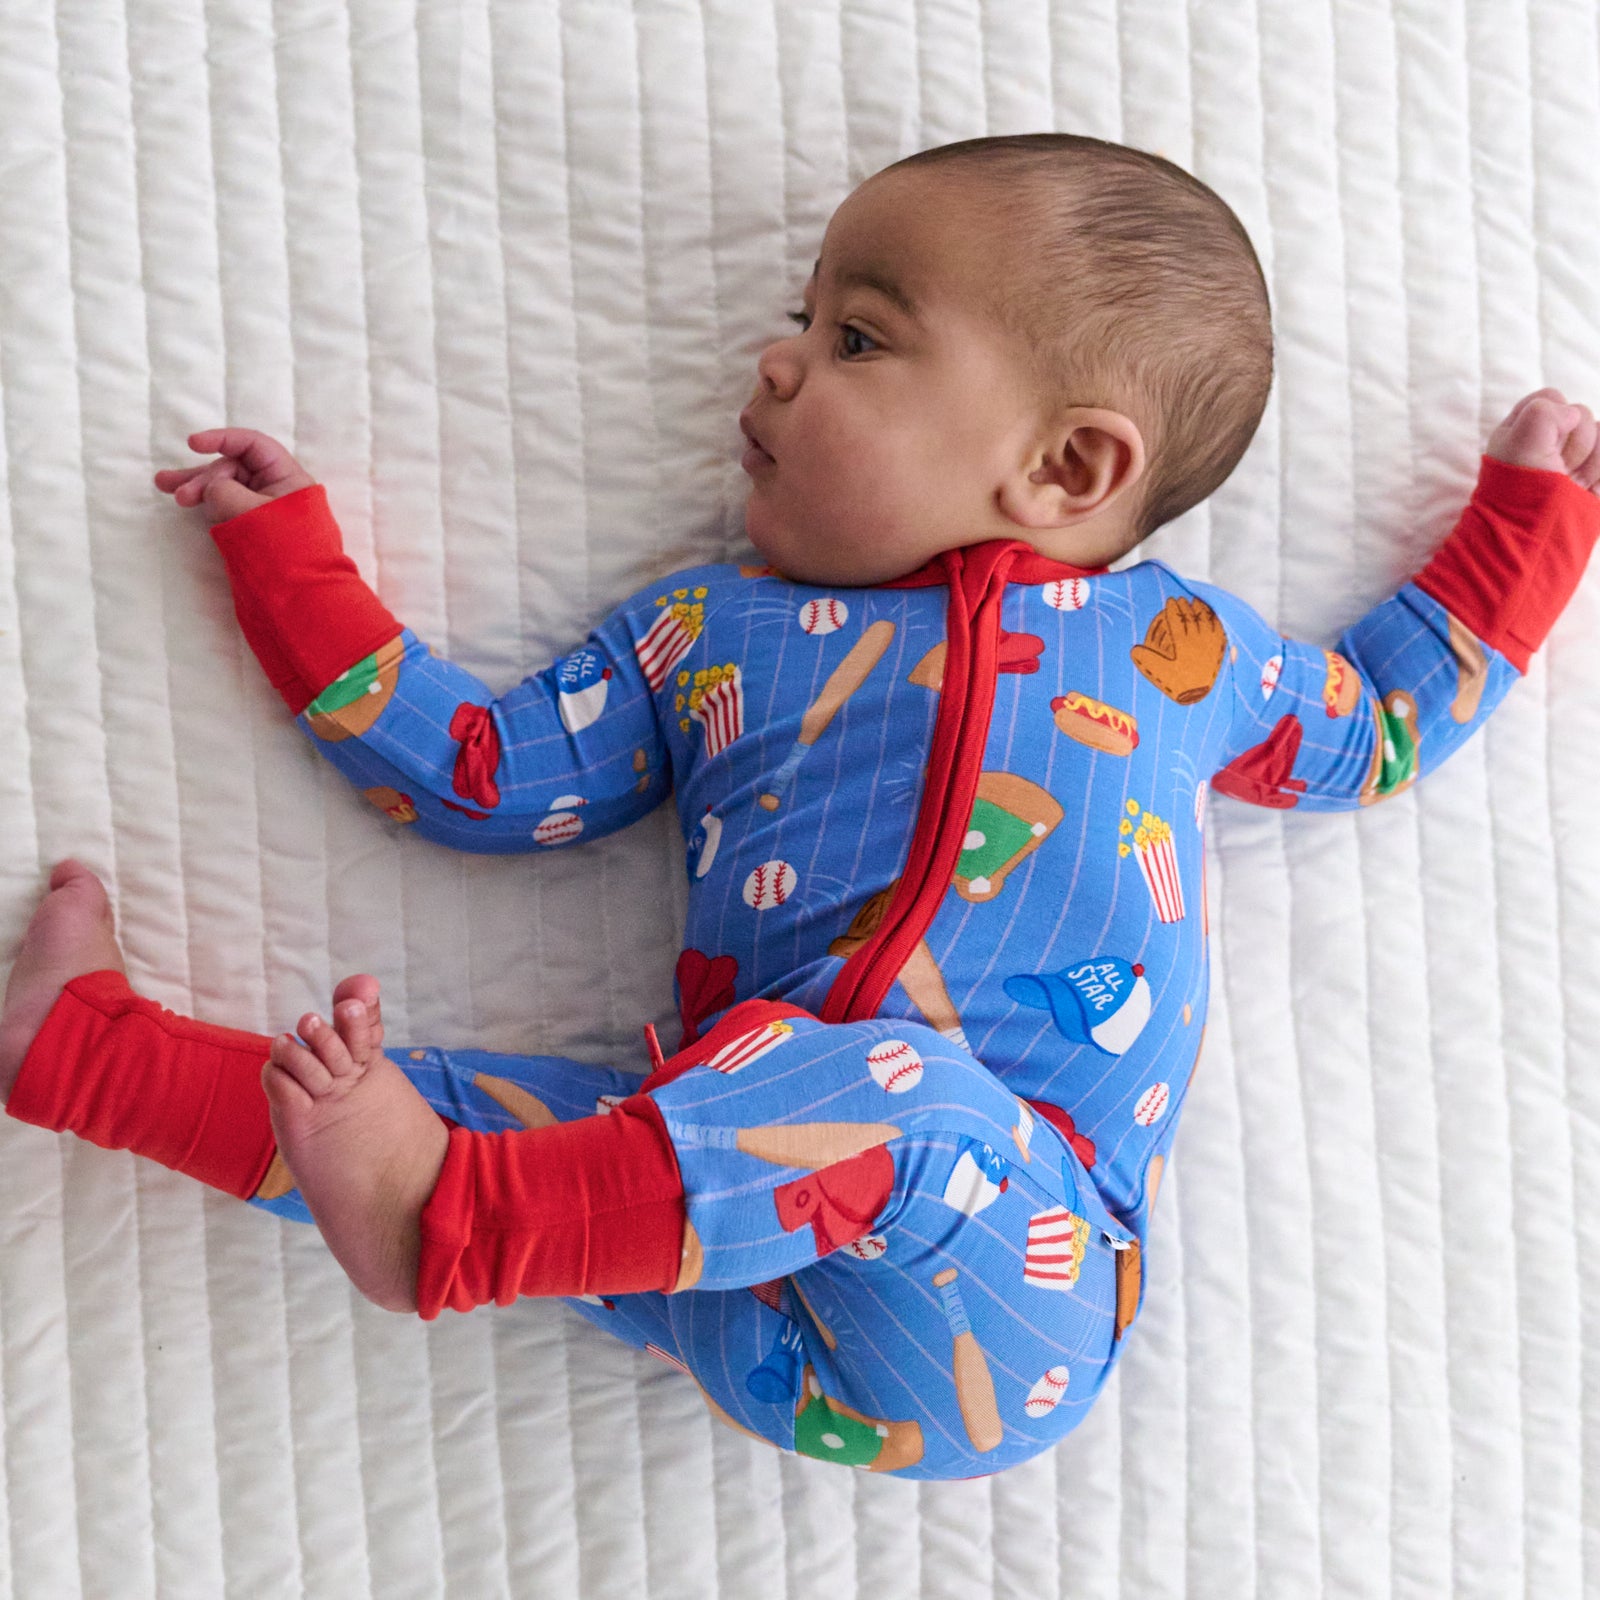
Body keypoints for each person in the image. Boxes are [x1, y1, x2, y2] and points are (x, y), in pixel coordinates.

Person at [2, 134, 1597, 1481]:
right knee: (429, 1109)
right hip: (712, 1225)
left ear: (1065, 467)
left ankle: (452, 1223)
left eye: (859, 339)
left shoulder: (1185, 657)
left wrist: (1525, 527)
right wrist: (293, 563)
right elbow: (480, 774)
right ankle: (84, 1056)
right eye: (803, 315)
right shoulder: (705, 635)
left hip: (1001, 1291)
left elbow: (1382, 725)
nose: (776, 359)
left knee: (883, 1098)